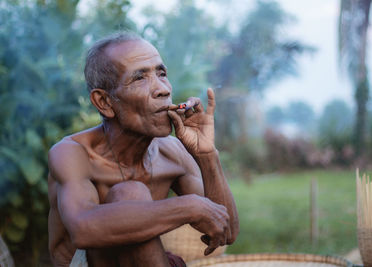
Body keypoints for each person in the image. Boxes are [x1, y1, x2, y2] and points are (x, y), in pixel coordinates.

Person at [47, 33, 239, 267]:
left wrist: (207, 156)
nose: (163, 90)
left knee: (132, 197)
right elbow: (83, 229)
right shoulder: (73, 153)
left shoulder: (172, 152)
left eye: (161, 74)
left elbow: (226, 232)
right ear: (105, 102)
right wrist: (190, 207)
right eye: (140, 78)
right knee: (130, 194)